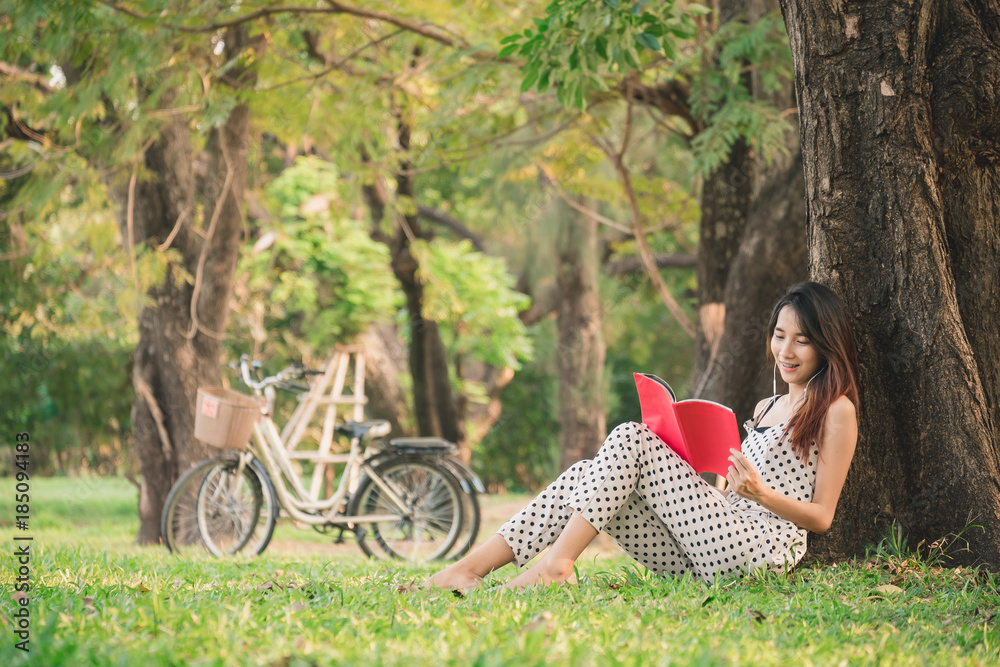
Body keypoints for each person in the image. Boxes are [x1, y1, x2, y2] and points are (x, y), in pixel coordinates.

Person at [427, 282, 860, 591]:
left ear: (825, 344)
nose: (785, 351)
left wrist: (762, 494)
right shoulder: (765, 408)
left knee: (631, 437)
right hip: (702, 552)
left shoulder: (836, 411)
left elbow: (822, 516)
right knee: (587, 474)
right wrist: (689, 469)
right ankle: (469, 569)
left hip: (758, 551)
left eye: (801, 341)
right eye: (779, 336)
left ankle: (556, 565)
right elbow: (729, 491)